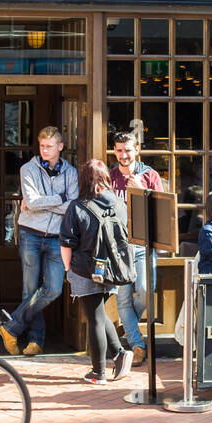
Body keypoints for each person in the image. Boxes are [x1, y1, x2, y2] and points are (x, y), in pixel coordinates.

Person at [0, 126, 77, 357]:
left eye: (49, 146)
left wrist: (46, 203)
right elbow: (31, 202)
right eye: (42, 146)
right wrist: (58, 199)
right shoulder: (28, 169)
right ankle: (35, 340)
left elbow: (71, 205)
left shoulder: (71, 173)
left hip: (57, 238)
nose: (44, 150)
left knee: (52, 289)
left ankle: (11, 328)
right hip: (30, 233)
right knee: (30, 289)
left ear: (60, 147)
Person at [62, 159, 133, 385]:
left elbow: (66, 242)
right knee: (100, 314)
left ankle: (98, 372)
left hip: (85, 268)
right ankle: (120, 354)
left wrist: (67, 269)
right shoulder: (120, 205)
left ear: (83, 180)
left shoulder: (77, 206)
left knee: (94, 319)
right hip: (112, 268)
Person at [108, 130, 165, 365]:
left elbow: (162, 212)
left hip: (143, 243)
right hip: (119, 246)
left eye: (128, 150)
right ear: (115, 151)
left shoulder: (150, 176)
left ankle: (128, 324)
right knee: (122, 299)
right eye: (119, 150)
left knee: (144, 291)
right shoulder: (110, 177)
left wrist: (141, 190)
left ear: (137, 150)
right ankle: (137, 345)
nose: (123, 155)